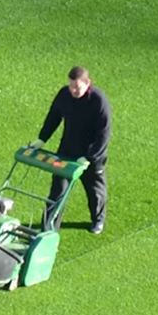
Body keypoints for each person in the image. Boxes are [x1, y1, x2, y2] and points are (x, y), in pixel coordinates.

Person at [37, 65, 110, 233]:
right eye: (71, 86)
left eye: (77, 87)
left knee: (95, 191)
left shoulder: (99, 102)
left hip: (92, 156)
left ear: (87, 83)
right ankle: (48, 229)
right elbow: (53, 116)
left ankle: (98, 220)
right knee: (57, 192)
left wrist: (89, 157)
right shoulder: (64, 95)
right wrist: (42, 139)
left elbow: (104, 134)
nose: (73, 91)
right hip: (67, 151)